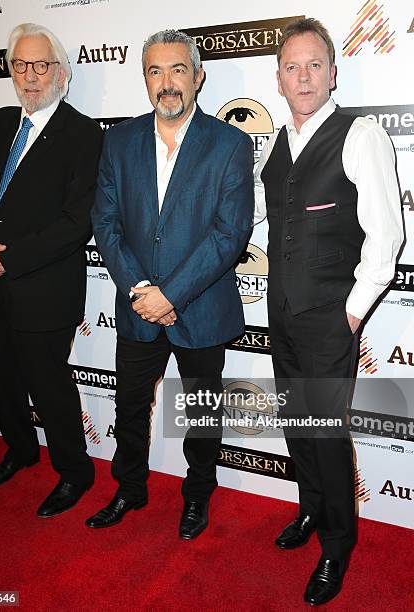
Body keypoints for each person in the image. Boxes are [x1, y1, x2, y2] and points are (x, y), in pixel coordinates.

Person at [254, 17, 403, 606]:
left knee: (325, 433)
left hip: (328, 317)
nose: (304, 76)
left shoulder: (359, 134)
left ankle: (338, 546)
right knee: (298, 427)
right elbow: (268, 218)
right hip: (282, 310)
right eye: (292, 67)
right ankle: (311, 512)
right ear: (279, 79)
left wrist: (354, 309)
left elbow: (386, 236)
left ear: (334, 72)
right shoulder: (276, 144)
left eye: (315, 64)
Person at [89, 29, 254, 539]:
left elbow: (231, 234)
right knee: (131, 406)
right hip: (139, 307)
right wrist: (142, 291)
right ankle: (129, 488)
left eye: (178, 69)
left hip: (199, 308)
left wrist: (170, 295)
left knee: (201, 413)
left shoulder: (230, 143)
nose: (167, 83)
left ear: (198, 76)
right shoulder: (118, 141)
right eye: (155, 72)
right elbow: (106, 222)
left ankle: (197, 496)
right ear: (144, 80)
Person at [0, 23, 103, 518]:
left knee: (50, 386)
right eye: (20, 65)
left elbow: (75, 221)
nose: (30, 76)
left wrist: (7, 258)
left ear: (60, 72)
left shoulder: (82, 133)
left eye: (41, 65)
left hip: (44, 287)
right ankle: (19, 451)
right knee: (1, 376)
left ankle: (75, 472)